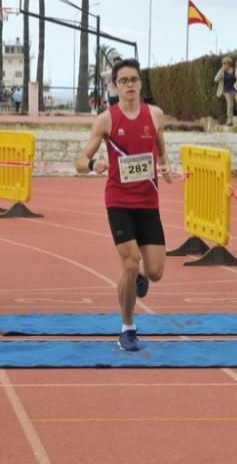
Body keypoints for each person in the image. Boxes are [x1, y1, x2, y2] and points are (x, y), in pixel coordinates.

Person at [76, 58, 172, 351]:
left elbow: (162, 152)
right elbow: (79, 162)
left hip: (148, 201)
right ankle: (128, 328)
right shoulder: (106, 120)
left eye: (134, 79)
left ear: (140, 83)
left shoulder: (155, 115)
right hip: (118, 199)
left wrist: (166, 167)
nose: (130, 85)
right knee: (130, 264)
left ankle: (141, 276)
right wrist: (96, 164)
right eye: (124, 81)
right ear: (114, 86)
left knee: (154, 272)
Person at [214, 55, 237, 126]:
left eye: (225, 64)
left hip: (235, 90)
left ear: (229, 64)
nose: (223, 65)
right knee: (230, 105)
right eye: (223, 64)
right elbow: (216, 79)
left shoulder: (234, 70)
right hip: (226, 91)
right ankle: (230, 121)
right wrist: (221, 70)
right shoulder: (222, 72)